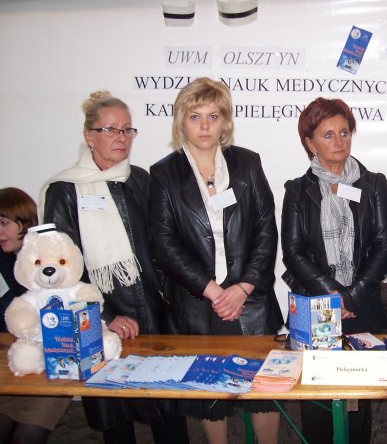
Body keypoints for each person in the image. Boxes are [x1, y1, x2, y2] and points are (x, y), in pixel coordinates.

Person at [42, 91, 188, 444]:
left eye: (127, 129)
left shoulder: (140, 179)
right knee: (115, 414)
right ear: (89, 135)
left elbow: (160, 243)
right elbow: (60, 269)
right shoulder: (65, 189)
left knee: (167, 408)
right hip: (103, 318)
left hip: (154, 312)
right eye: (110, 129)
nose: (121, 137)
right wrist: (104, 317)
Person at [148, 77, 283, 444]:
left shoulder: (247, 163)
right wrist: (213, 291)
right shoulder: (164, 174)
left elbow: (266, 229)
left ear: (225, 121)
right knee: (210, 398)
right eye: (195, 116)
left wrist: (244, 286)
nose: (205, 126)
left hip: (251, 302)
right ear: (181, 121)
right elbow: (164, 245)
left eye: (213, 116)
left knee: (264, 394)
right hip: (199, 305)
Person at [281, 97, 387, 444]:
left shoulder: (373, 184)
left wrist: (352, 296)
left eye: (344, 133)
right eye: (327, 135)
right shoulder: (297, 190)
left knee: (358, 398)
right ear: (310, 143)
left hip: (362, 306)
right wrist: (332, 296)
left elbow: (384, 244)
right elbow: (293, 252)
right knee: (316, 397)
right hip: (316, 307)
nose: (338, 142)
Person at [0, 187, 72, 444]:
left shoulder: (51, 257)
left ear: (25, 221)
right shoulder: (3, 260)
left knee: (26, 436)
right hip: (10, 362)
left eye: (4, 223)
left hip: (53, 358)